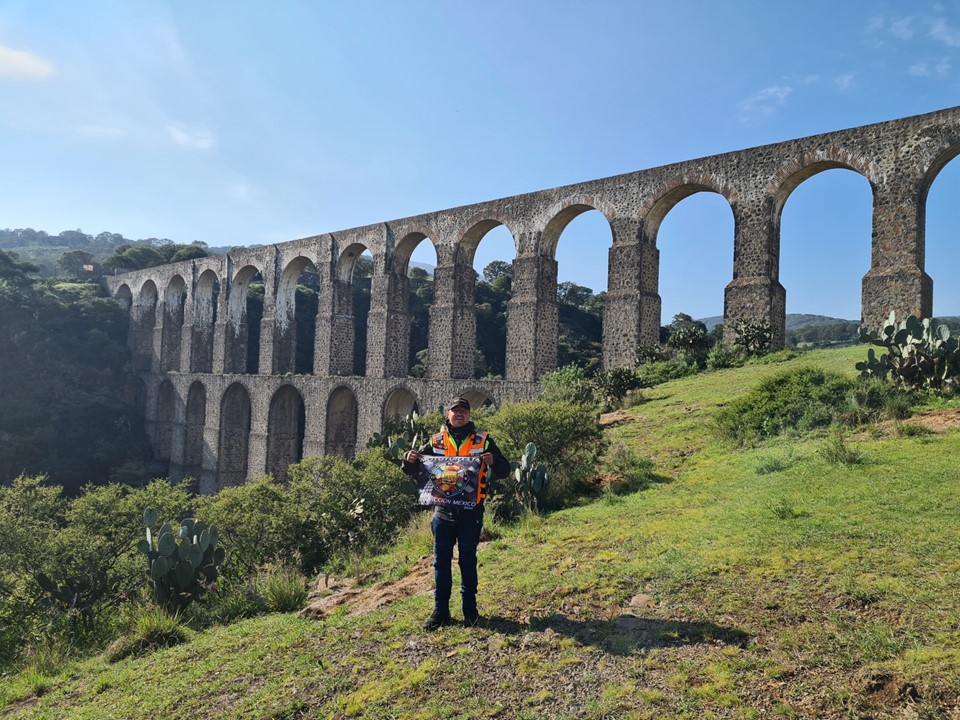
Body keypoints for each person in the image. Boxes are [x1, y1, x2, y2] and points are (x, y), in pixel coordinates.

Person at [402, 397, 510, 630]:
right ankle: (440, 612)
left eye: (463, 411)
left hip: (471, 513)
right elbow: (416, 468)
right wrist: (407, 459)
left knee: (468, 562)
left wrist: (494, 461)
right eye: (455, 411)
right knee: (441, 563)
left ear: (469, 415)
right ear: (447, 415)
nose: (459, 414)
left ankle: (470, 612)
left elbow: (505, 470)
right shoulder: (436, 441)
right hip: (443, 512)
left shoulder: (484, 441)